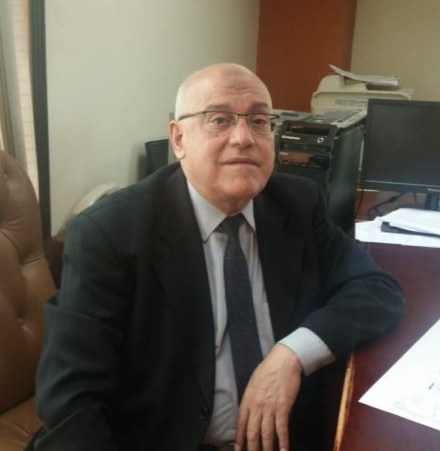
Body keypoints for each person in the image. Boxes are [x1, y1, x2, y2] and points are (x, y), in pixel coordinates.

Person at [34, 63, 404, 451]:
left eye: (259, 121)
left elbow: (378, 290)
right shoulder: (110, 233)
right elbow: (72, 403)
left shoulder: (296, 203)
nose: (243, 138)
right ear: (178, 139)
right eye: (219, 120)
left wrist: (292, 353)